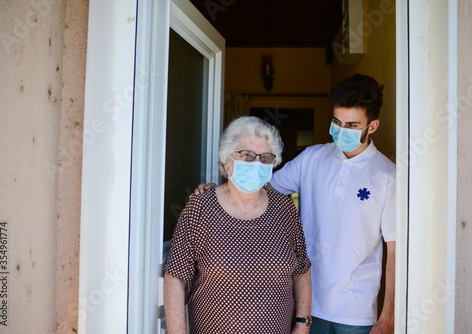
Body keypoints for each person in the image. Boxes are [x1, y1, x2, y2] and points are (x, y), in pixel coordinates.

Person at [194, 74, 396, 333]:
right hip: (306, 304)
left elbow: (395, 251)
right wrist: (218, 191)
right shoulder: (312, 158)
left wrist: (388, 315)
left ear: (373, 126)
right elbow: (259, 185)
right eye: (336, 121)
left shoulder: (388, 176)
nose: (340, 130)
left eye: (352, 125)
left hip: (356, 311)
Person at [164, 116, 312, 334]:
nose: (256, 163)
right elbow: (175, 277)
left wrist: (302, 324)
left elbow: (301, 269)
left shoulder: (284, 209)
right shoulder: (201, 207)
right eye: (247, 156)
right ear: (227, 162)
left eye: (265, 158)